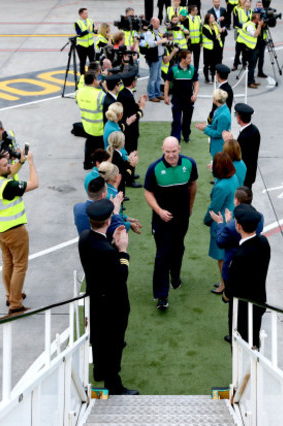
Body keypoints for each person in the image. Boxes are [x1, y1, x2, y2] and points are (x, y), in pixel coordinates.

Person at [78, 199, 139, 395]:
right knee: (113, 344)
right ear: (108, 220)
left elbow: (100, 254)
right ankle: (114, 385)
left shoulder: (85, 237)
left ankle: (99, 371)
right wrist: (123, 250)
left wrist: (112, 242)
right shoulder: (107, 252)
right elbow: (121, 275)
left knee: (98, 339)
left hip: (95, 300)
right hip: (113, 305)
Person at [144, 137, 198, 310]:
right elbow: (148, 192)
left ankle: (175, 276)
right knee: (162, 254)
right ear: (163, 150)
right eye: (167, 152)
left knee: (178, 248)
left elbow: (193, 185)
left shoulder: (189, 164)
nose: (171, 155)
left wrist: (190, 206)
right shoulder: (154, 168)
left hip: (182, 219)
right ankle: (162, 296)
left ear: (179, 149)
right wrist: (159, 211)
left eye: (174, 151)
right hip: (161, 221)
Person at [0, 150, 38, 315]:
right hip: (14, 230)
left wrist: (19, 162)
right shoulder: (7, 186)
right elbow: (34, 183)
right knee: (20, 265)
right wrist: (30, 163)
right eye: (6, 164)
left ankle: (11, 294)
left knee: (8, 262)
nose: (9, 165)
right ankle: (15, 304)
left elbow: (9, 172)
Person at [223, 203, 270, 348]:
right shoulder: (263, 242)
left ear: (238, 226)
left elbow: (232, 288)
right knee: (253, 338)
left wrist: (225, 296)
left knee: (240, 345)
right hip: (259, 301)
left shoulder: (240, 255)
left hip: (242, 309)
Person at [204, 152, 239, 294]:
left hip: (222, 223)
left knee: (221, 258)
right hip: (231, 218)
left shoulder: (221, 186)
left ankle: (224, 285)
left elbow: (214, 208)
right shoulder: (233, 178)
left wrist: (207, 220)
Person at [165, 49, 200, 143]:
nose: (190, 60)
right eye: (189, 58)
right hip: (176, 99)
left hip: (188, 99)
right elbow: (167, 82)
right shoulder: (174, 69)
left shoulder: (192, 69)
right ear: (183, 59)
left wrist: (195, 94)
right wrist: (165, 96)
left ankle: (186, 135)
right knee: (176, 120)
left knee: (187, 121)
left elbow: (196, 82)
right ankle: (176, 138)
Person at [223, 103, 260, 188]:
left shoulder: (244, 136)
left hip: (243, 175)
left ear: (239, 117)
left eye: (236, 115)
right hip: (250, 172)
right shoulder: (254, 130)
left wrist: (229, 141)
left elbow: (237, 154)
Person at [77, 71, 105, 170]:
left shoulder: (79, 92)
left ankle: (87, 163)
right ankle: (98, 166)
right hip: (99, 128)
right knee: (100, 150)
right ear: (94, 80)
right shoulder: (100, 94)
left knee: (89, 144)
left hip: (87, 126)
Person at [118, 73, 147, 157]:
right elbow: (134, 116)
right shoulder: (128, 96)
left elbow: (129, 108)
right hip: (130, 132)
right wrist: (141, 107)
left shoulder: (122, 93)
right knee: (131, 154)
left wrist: (137, 104)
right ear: (133, 83)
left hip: (125, 130)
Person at [195, 89, 231, 158]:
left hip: (220, 148)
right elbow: (217, 126)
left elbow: (219, 133)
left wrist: (205, 129)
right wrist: (207, 126)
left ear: (215, 99)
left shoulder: (223, 115)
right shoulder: (222, 109)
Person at [140, 17, 168, 103]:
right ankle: (151, 95)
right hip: (153, 58)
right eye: (157, 23)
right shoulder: (149, 33)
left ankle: (158, 93)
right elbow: (151, 44)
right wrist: (161, 41)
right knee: (153, 77)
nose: (159, 25)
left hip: (158, 57)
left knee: (158, 77)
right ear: (152, 23)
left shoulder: (156, 31)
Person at [236, 9, 263, 89]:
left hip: (251, 47)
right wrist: (260, 26)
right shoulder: (250, 26)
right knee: (251, 66)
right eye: (258, 19)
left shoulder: (251, 24)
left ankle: (252, 80)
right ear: (255, 19)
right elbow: (255, 34)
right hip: (249, 48)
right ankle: (249, 82)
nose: (260, 20)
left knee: (253, 65)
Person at [202, 13, 225, 83]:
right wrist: (217, 36)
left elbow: (221, 32)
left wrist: (218, 26)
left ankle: (213, 77)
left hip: (217, 47)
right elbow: (210, 37)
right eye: (212, 17)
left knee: (214, 64)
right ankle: (206, 78)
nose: (214, 19)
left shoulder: (215, 25)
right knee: (207, 64)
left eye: (214, 17)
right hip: (208, 48)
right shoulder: (205, 27)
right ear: (208, 19)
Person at [74, 8, 96, 74]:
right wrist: (87, 31)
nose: (87, 14)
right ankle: (82, 77)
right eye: (85, 13)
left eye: (87, 13)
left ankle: (93, 76)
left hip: (90, 45)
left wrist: (95, 30)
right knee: (82, 63)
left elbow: (93, 31)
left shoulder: (90, 20)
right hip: (82, 46)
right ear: (81, 14)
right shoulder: (77, 23)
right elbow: (79, 34)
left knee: (92, 62)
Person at [183, 5, 203, 71]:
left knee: (196, 59)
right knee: (187, 58)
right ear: (191, 11)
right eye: (196, 10)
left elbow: (200, 30)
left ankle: (195, 72)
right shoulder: (186, 19)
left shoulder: (198, 18)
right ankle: (187, 71)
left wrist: (201, 41)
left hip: (197, 43)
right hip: (189, 43)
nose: (197, 11)